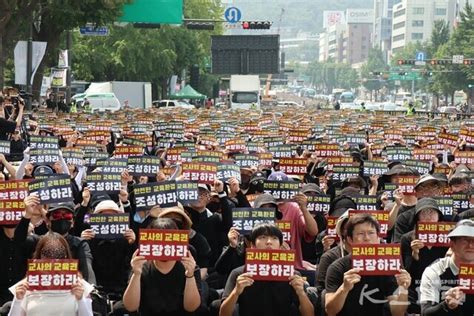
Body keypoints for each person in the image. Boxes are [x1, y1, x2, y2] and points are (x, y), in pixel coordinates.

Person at [325, 213, 411, 316]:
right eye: (360, 234)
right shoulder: (338, 267)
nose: (367, 238)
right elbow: (330, 311)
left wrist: (403, 288)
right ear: (350, 240)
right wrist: (344, 288)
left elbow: (397, 313)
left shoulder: (388, 265)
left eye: (371, 233)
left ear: (378, 237)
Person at [219, 223, 314, 316]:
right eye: (263, 237)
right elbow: (223, 313)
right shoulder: (239, 273)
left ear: (281, 247)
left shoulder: (292, 275)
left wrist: (301, 293)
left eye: (274, 238)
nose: (269, 241)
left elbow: (309, 314)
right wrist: (236, 292)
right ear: (252, 245)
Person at [123, 218, 201, 315]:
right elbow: (130, 307)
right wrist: (137, 274)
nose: (163, 244)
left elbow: (191, 307)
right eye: (158, 240)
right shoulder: (140, 266)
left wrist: (190, 276)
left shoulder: (189, 267)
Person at [8, 232, 94, 316]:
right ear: (39, 255)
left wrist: (81, 300)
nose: (53, 258)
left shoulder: (80, 285)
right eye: (47, 253)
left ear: (66, 255)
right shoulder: (26, 285)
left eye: (59, 253)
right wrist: (18, 300)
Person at [400, 198, 449, 314]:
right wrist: (415, 253)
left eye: (432, 212)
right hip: (415, 287)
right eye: (424, 213)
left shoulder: (449, 237)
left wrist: (450, 256)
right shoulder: (407, 238)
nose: (429, 216)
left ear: (439, 216)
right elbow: (407, 272)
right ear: (418, 217)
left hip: (441, 286)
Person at [420, 219, 474, 315]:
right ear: (452, 245)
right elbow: (425, 313)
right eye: (465, 240)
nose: (470, 245)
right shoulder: (435, 271)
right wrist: (445, 305)